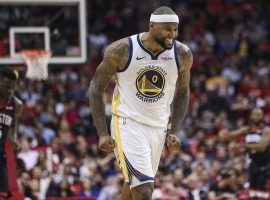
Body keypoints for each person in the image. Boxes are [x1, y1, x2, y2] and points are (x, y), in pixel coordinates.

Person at [89, 6, 193, 200]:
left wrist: (174, 130)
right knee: (144, 191)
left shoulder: (183, 54)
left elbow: (182, 91)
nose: (172, 34)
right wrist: (102, 133)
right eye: (167, 29)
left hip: (158, 129)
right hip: (128, 124)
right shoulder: (122, 49)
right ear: (151, 26)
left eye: (175, 29)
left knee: (131, 191)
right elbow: (96, 87)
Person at [222, 108, 270, 199]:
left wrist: (241, 145)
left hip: (265, 165)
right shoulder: (246, 129)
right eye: (254, 114)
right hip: (252, 164)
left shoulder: (266, 130)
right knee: (253, 193)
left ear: (262, 116)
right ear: (251, 116)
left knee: (264, 194)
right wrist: (224, 133)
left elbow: (261, 147)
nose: (256, 116)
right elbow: (230, 135)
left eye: (259, 114)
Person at [0, 69, 23, 200]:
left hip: (0, 154)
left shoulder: (17, 105)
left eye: (13, 88)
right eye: (7, 87)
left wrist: (15, 140)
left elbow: (13, 126)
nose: (10, 91)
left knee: (4, 196)